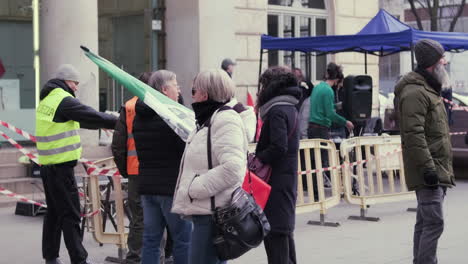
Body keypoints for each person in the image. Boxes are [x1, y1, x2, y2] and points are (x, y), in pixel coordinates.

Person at [36, 64, 117, 264]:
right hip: (61, 167)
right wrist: (117, 121)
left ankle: (51, 257)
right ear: (66, 81)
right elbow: (88, 114)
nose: (76, 88)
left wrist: (102, 124)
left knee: (54, 214)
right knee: (71, 214)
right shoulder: (63, 99)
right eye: (75, 83)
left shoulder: (48, 100)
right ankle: (79, 259)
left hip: (48, 166)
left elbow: (82, 119)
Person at [172, 69, 248, 264]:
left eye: (193, 92)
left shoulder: (224, 119)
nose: (191, 97)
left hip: (212, 214)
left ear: (204, 94)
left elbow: (233, 167)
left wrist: (195, 186)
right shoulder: (208, 119)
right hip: (206, 211)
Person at [394, 39, 455, 264]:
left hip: (436, 168)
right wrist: (428, 169)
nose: (445, 61)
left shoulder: (428, 88)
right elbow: (414, 134)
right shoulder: (415, 92)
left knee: (425, 222)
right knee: (433, 222)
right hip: (428, 170)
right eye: (441, 58)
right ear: (432, 62)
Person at [131, 70, 191, 264]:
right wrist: (179, 107)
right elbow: (183, 146)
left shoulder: (139, 116)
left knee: (150, 240)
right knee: (183, 240)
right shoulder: (170, 117)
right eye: (176, 85)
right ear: (165, 90)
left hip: (148, 187)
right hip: (170, 188)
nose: (179, 89)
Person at [255, 66, 301, 264]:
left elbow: (278, 146)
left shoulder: (277, 111)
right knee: (284, 236)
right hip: (285, 180)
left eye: (263, 85)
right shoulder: (289, 107)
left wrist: (259, 158)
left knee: (276, 239)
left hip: (276, 183)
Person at [111, 72, 151, 264]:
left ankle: (134, 259)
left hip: (135, 171)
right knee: (158, 217)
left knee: (138, 219)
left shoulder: (128, 107)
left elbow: (118, 146)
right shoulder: (159, 105)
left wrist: (125, 169)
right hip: (157, 171)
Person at [308, 62, 354, 198]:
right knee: (322, 162)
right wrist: (346, 122)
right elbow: (329, 114)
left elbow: (323, 108)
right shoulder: (328, 91)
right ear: (338, 79)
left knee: (313, 161)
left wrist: (335, 106)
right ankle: (320, 194)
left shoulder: (317, 88)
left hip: (312, 127)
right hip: (321, 129)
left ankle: (315, 192)